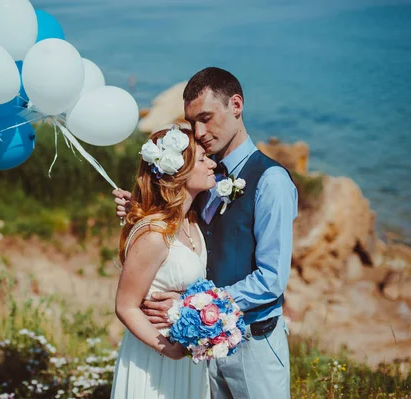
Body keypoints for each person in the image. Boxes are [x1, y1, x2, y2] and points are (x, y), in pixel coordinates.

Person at [113, 67, 298, 399]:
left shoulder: (271, 181)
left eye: (206, 118)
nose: (198, 131)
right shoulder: (201, 172)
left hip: (252, 346)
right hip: (199, 349)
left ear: (236, 106)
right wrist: (142, 209)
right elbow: (177, 229)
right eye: (192, 121)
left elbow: (272, 279)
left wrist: (192, 307)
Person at [111, 126, 217, 399]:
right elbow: (125, 306)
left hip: (188, 356)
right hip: (157, 358)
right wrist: (168, 349)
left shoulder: (192, 223)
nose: (213, 164)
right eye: (203, 159)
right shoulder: (154, 235)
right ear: (180, 171)